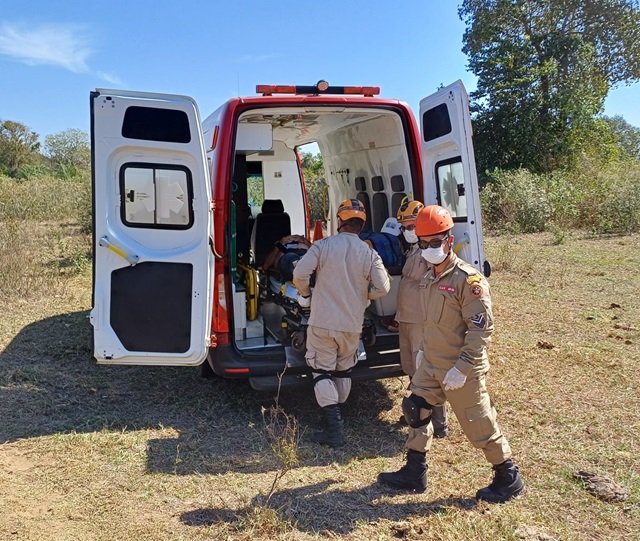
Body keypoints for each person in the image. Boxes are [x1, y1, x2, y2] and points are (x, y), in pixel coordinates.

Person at [378, 205, 524, 503]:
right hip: (432, 362)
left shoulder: (467, 281)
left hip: (460, 368)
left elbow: (481, 330)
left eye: (435, 242)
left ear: (449, 240)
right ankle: (415, 471)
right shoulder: (430, 276)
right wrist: (423, 352)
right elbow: (431, 322)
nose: (429, 249)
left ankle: (508, 476)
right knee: (416, 409)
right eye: (423, 244)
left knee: (478, 423)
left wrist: (463, 366)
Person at [293, 198, 390, 448]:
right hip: (352, 325)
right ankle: (337, 417)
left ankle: (333, 429)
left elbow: (300, 274)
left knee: (321, 371)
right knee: (343, 371)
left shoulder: (323, 246)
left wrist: (306, 294)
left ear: (339, 221)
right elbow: (383, 287)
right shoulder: (369, 253)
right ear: (362, 224)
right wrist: (363, 295)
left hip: (323, 322)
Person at [395, 199, 448, 438]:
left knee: (426, 370)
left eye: (410, 226)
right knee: (410, 367)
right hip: (406, 318)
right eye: (404, 227)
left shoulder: (430, 253)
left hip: (421, 319)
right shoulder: (413, 250)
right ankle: (417, 413)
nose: (407, 231)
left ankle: (439, 423)